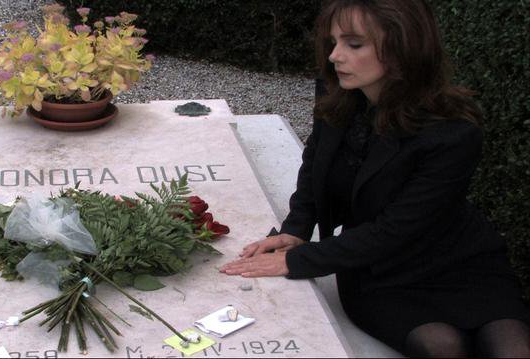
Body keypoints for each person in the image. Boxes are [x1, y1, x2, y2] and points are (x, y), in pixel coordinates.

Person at [220, 0, 530, 357]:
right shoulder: (339, 96)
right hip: (379, 275)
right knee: (443, 347)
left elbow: (397, 229)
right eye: (333, 42)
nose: (335, 56)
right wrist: (296, 230)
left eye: (354, 44)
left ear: (403, 47)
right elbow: (314, 167)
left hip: (459, 267)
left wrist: (299, 261)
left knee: (513, 349)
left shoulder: (454, 133)